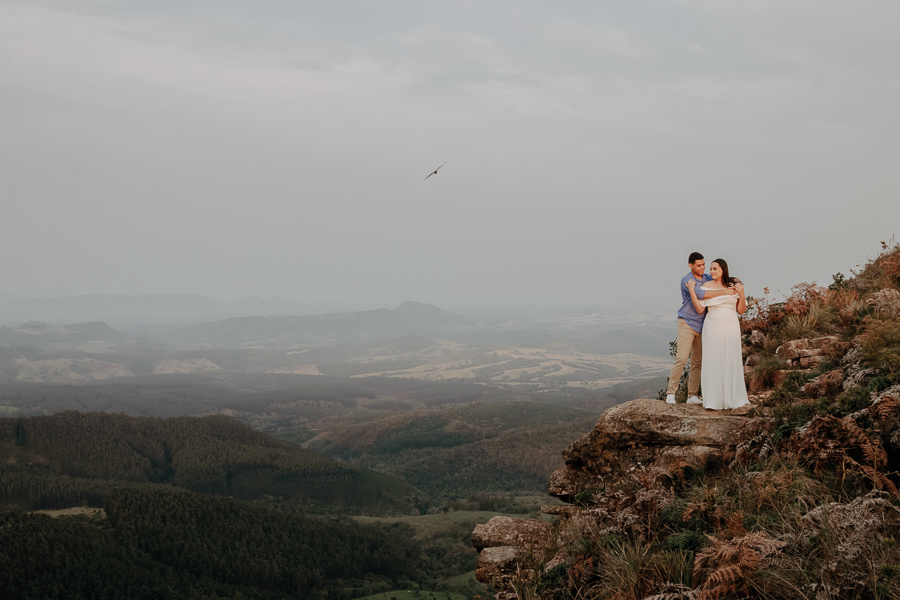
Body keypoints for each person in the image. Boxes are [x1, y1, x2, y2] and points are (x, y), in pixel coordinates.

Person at [665, 252, 737, 405]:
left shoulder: (706, 278)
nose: (703, 268)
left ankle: (692, 395)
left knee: (697, 362)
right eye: (699, 265)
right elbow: (700, 294)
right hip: (687, 323)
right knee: (682, 359)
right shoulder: (687, 280)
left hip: (703, 325)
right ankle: (671, 393)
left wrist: (736, 282)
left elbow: (723, 279)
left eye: (704, 264)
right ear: (690, 265)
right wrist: (726, 291)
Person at [686, 258, 750, 410]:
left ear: (723, 269)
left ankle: (733, 397)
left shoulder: (733, 285)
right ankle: (714, 400)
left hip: (731, 324)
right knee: (713, 359)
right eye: (711, 269)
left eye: (715, 269)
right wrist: (691, 291)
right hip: (713, 324)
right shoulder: (705, 286)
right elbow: (700, 309)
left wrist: (742, 293)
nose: (711, 271)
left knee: (730, 358)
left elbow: (741, 310)